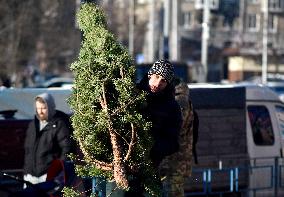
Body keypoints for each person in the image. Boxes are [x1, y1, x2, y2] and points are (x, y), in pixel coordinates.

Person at [125, 60, 182, 196]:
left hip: (151, 168)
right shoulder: (132, 96)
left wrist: (151, 148)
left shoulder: (171, 107)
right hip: (123, 167)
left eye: (163, 81)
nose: (157, 84)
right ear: (150, 75)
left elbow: (173, 142)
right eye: (156, 77)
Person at [23, 93, 73, 187]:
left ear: (50, 107)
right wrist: (26, 171)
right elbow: (28, 151)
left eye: (43, 108)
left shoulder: (60, 124)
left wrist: (57, 172)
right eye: (38, 108)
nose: (40, 111)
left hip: (48, 176)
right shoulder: (33, 125)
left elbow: (67, 149)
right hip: (30, 176)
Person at [159, 78, 196, 197]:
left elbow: (175, 124)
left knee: (172, 192)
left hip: (174, 163)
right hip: (172, 163)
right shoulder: (179, 99)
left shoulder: (180, 101)